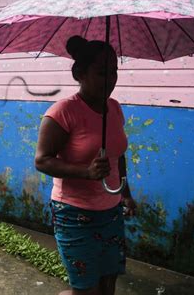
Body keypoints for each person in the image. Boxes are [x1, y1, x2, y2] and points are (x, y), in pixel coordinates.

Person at [35, 36, 137, 295]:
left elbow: (118, 154)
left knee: (108, 284)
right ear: (80, 74)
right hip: (74, 215)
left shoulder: (114, 108)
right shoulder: (62, 112)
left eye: (114, 72)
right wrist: (86, 172)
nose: (111, 79)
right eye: (102, 72)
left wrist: (125, 193)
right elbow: (42, 160)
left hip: (111, 212)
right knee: (86, 290)